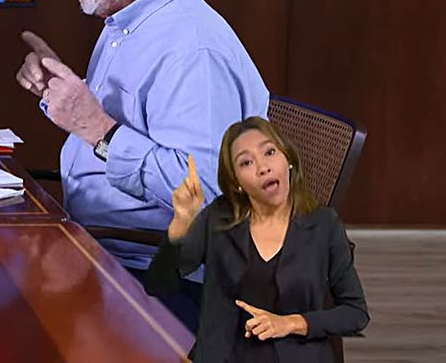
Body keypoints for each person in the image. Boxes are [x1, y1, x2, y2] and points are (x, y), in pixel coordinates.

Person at [15, 0, 268, 328]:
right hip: (100, 242)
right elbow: (118, 133)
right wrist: (60, 94)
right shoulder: (130, 20)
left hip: (163, 275)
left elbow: (208, 196)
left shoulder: (192, 49)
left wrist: (96, 128)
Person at [146, 118, 369, 361]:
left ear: (289, 161)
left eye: (270, 152)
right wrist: (181, 222)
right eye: (246, 162)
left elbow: (356, 313)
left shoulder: (324, 225)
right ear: (237, 184)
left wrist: (289, 323)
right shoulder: (219, 218)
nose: (263, 167)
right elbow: (158, 285)